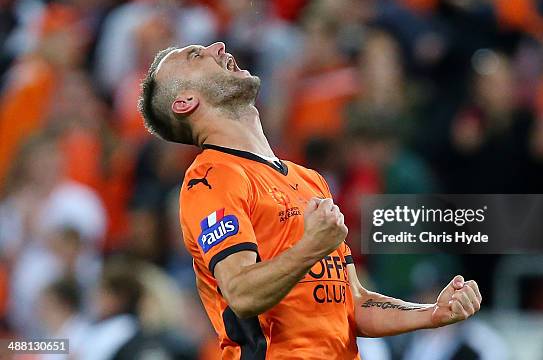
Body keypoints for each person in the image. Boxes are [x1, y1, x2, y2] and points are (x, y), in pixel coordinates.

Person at [137, 42, 482, 358]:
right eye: (196, 56)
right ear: (185, 102)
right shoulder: (211, 178)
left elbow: (354, 303)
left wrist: (431, 313)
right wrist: (311, 246)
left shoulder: (308, 179)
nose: (218, 46)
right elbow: (241, 293)